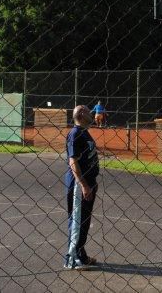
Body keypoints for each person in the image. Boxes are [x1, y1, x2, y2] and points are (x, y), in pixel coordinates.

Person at [64, 105, 100, 270]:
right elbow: (73, 162)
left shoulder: (84, 132)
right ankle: (73, 259)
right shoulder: (75, 134)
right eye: (88, 111)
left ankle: (81, 254)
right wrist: (84, 185)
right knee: (77, 221)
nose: (92, 113)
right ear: (81, 114)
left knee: (83, 221)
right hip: (80, 185)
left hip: (89, 182)